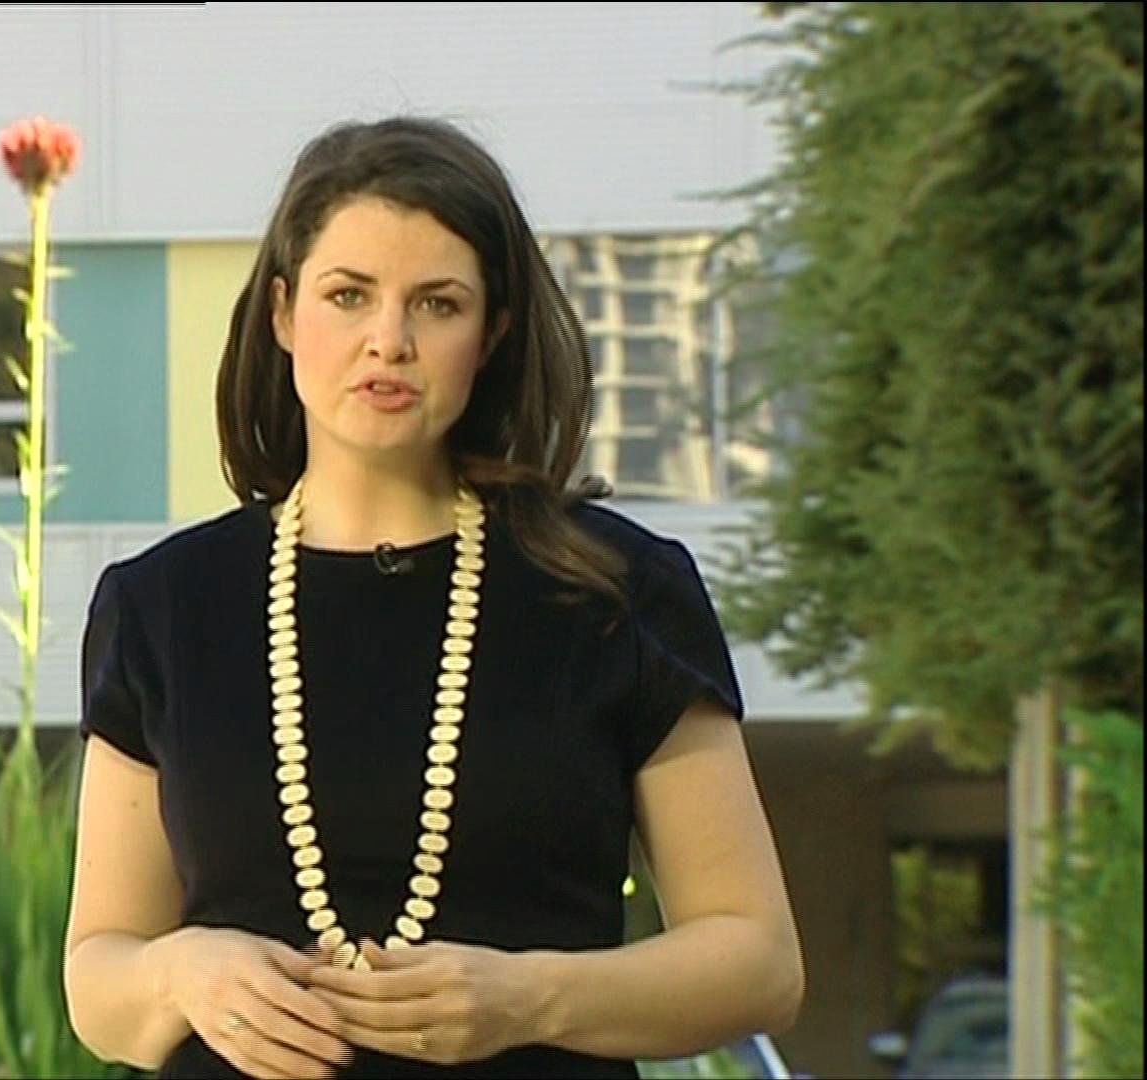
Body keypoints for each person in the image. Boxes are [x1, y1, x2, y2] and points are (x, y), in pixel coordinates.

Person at [61, 116, 804, 1079]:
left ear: (492, 333)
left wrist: (530, 999)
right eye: (348, 295)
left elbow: (758, 961)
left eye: (438, 304)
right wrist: (180, 976)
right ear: (283, 313)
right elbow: (99, 978)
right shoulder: (164, 605)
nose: (389, 341)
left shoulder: (619, 594)